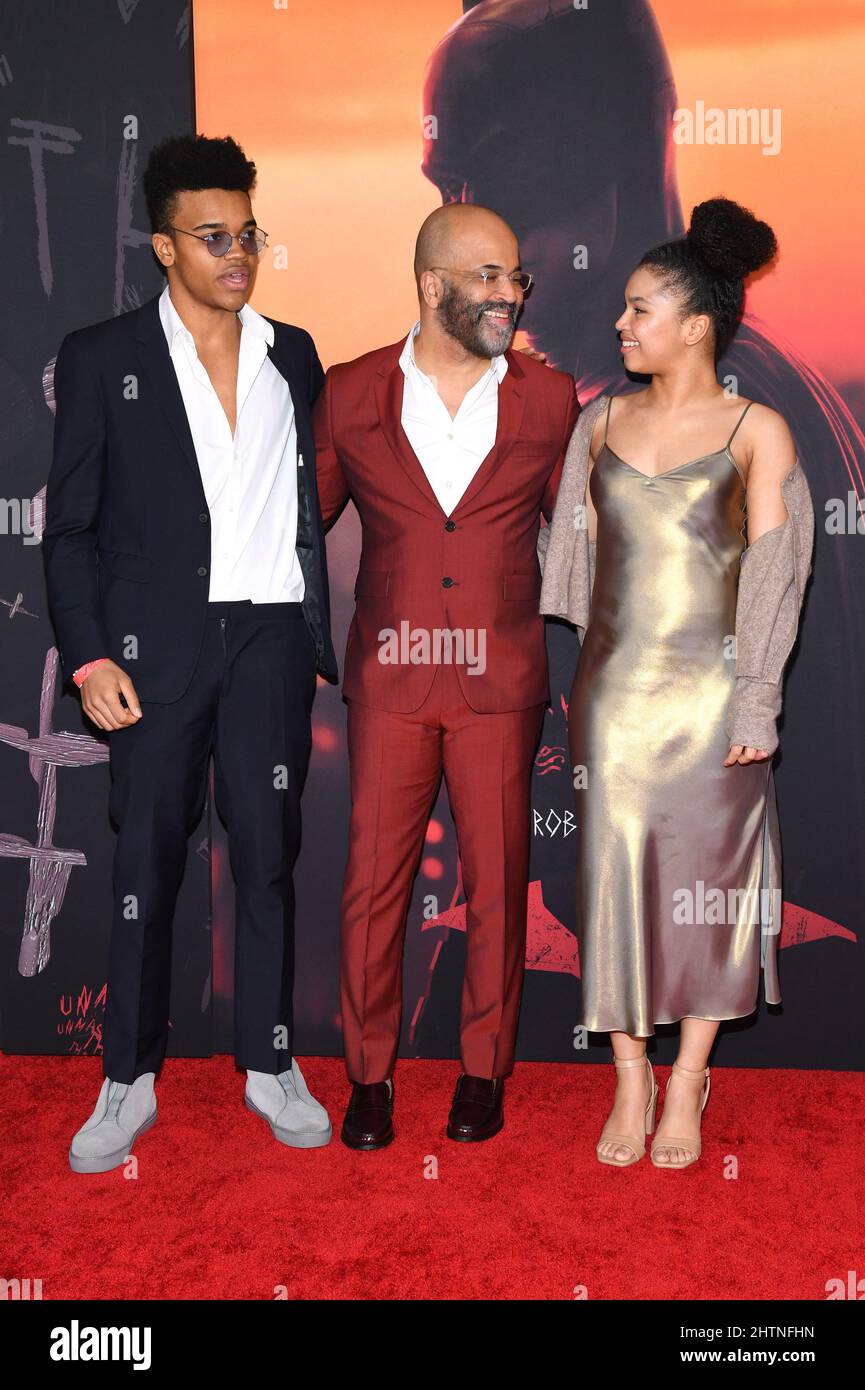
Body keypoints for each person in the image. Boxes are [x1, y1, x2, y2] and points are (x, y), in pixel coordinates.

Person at [43, 133, 338, 1172]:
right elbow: (68, 529)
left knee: (267, 859)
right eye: (213, 236)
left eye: (248, 232)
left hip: (265, 637)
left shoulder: (291, 353)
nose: (237, 253)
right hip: (150, 648)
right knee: (146, 869)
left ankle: (269, 1063)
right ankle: (127, 1078)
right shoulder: (101, 358)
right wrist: (88, 658)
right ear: (163, 245)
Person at [539, 198, 814, 1168]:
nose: (619, 325)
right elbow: (565, 562)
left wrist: (754, 704)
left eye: (639, 309)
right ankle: (628, 1077)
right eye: (621, 309)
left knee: (709, 889)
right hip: (613, 699)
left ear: (694, 323)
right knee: (613, 881)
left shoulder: (759, 431)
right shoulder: (598, 423)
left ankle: (688, 1081)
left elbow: (777, 580)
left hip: (713, 701)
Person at [313, 204, 578, 1148]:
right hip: (388, 678)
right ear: (432, 286)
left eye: (517, 279)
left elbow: (576, 544)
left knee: (500, 885)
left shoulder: (549, 401)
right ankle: (369, 1076)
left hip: (499, 681)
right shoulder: (348, 392)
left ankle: (482, 1071)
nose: (511, 293)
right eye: (490, 278)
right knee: (372, 887)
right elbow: (304, 535)